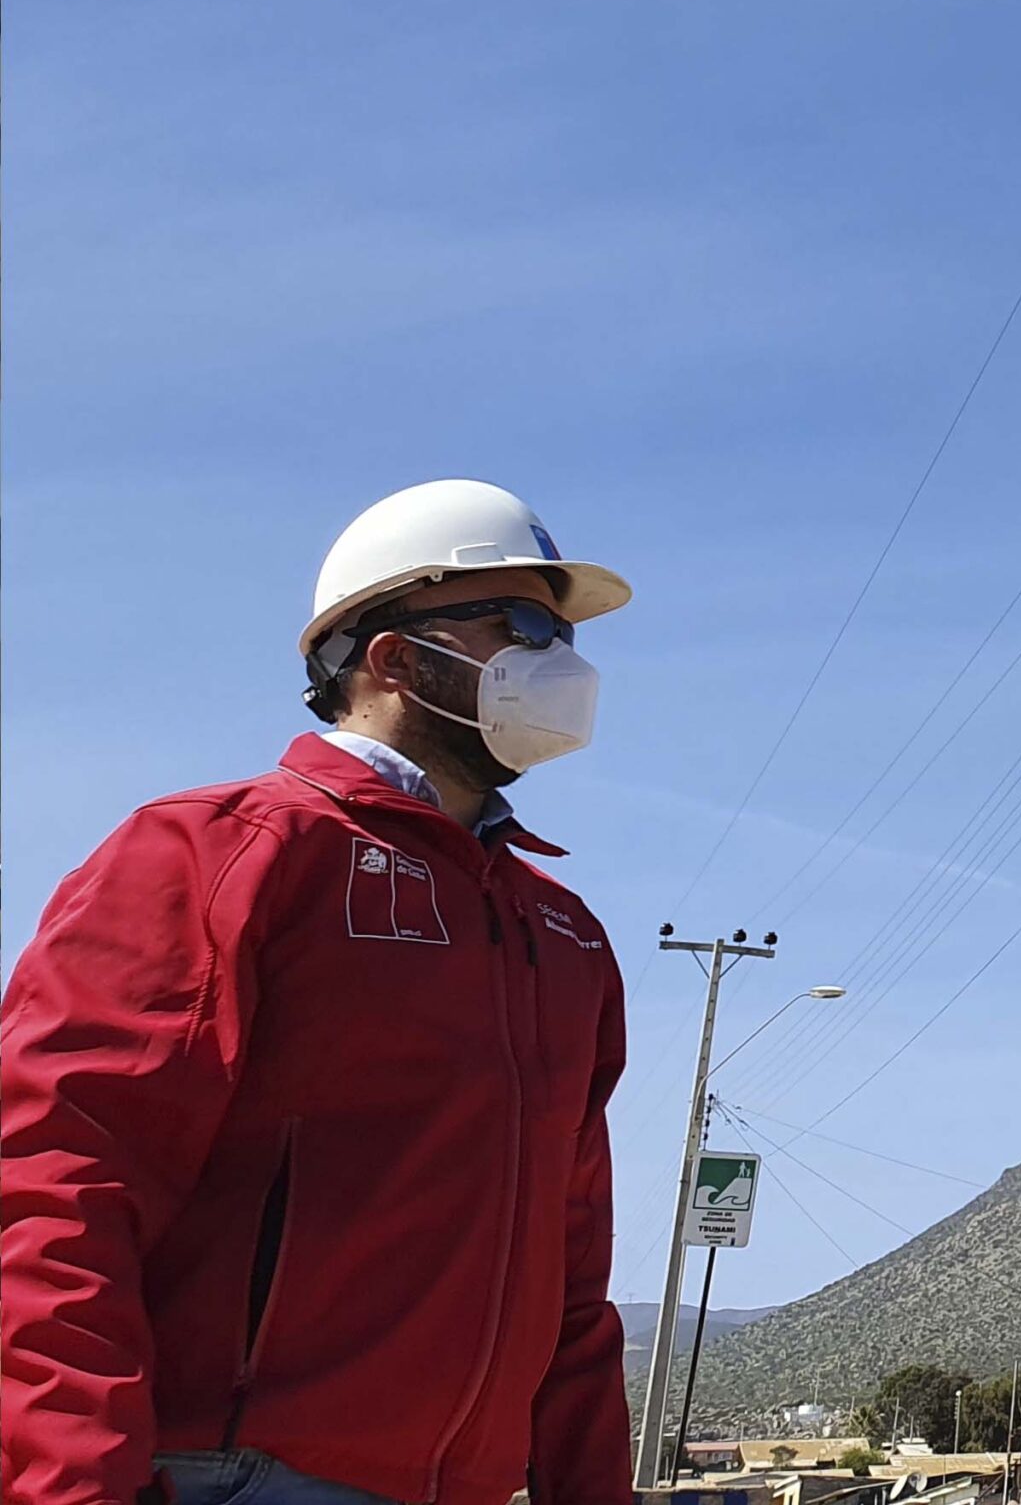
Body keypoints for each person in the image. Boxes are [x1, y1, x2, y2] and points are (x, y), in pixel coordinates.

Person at [2, 480, 638, 1505]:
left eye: (562, 633)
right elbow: (56, 1187)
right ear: (391, 656)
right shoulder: (214, 853)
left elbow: (572, 1277)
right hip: (227, 1477)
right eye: (522, 624)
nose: (560, 661)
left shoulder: (561, 933)